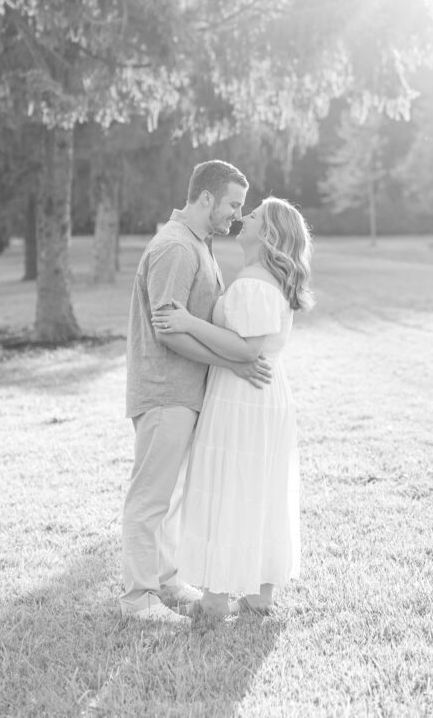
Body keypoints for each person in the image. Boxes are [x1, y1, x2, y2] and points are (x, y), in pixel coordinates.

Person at [120, 159, 273, 624]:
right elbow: (169, 329)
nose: (236, 214)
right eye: (231, 203)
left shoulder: (197, 244)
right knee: (149, 498)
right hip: (166, 390)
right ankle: (138, 598)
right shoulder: (176, 249)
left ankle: (164, 578)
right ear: (205, 198)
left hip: (185, 392)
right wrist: (233, 362)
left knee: (168, 496)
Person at [151, 196, 314, 618]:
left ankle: (216, 601)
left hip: (244, 395)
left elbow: (248, 349)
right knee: (255, 488)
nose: (244, 217)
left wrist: (189, 322)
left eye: (254, 215)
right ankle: (259, 595)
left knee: (231, 486)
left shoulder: (257, 281)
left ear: (270, 233)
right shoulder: (259, 276)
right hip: (260, 394)